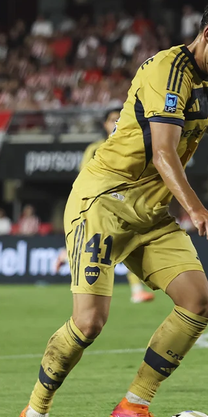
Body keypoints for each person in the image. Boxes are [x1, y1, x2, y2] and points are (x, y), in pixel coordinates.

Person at [17, 0, 208, 417]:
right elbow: (164, 152)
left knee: (199, 303)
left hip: (149, 211)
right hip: (103, 203)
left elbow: (201, 109)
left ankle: (134, 406)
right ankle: (33, 416)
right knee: (89, 323)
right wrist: (197, 210)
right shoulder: (165, 72)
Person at [81, 109, 156, 304]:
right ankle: (67, 258)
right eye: (112, 120)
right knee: (107, 249)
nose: (116, 123)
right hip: (101, 205)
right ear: (105, 124)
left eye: (119, 119)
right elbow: (84, 178)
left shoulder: (133, 145)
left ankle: (136, 291)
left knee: (127, 245)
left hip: (125, 205)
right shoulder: (95, 149)